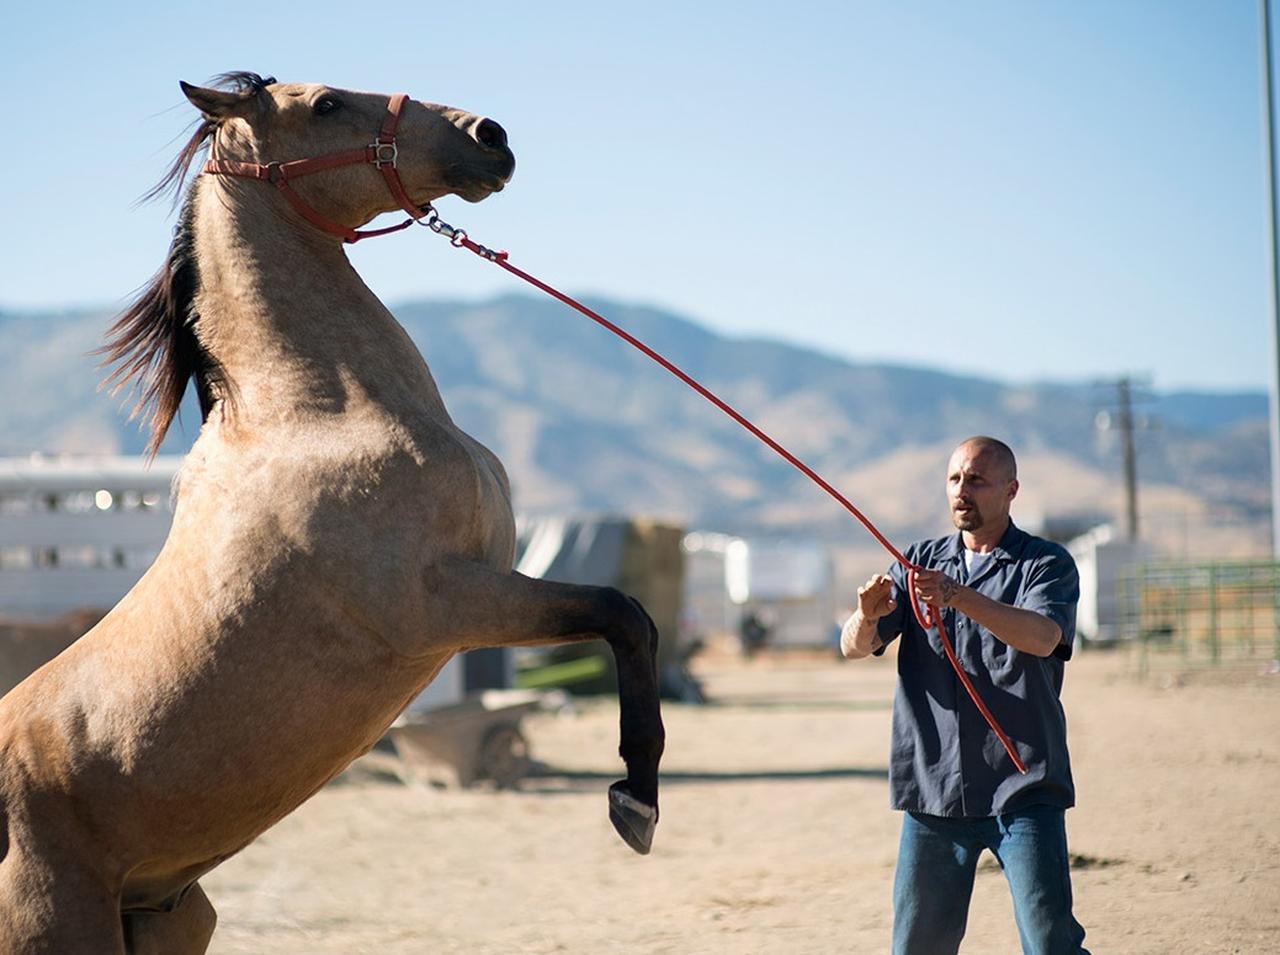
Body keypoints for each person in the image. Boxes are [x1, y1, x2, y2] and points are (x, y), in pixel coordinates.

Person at [841, 436, 1088, 955]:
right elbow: (853, 647)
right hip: (934, 791)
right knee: (917, 946)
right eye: (955, 479)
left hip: (1022, 789)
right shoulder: (916, 564)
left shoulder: (1046, 564)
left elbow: (1044, 637)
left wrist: (958, 596)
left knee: (1050, 942)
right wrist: (866, 615)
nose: (961, 490)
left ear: (1010, 490)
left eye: (976, 479)